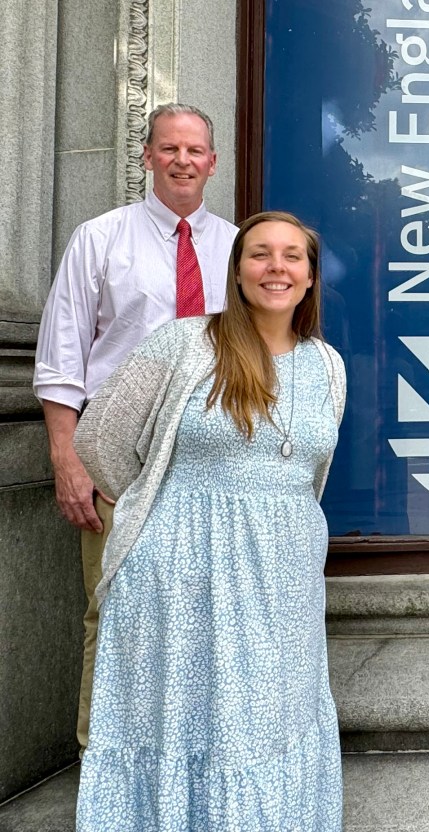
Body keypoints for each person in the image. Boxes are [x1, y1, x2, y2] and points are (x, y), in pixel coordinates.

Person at [72, 211, 346, 831]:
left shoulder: (328, 364)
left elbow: (309, 470)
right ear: (237, 270)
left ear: (310, 277)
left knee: (271, 717)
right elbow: (100, 438)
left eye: (292, 256)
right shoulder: (185, 343)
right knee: (188, 716)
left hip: (284, 580)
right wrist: (163, 515)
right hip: (181, 573)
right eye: (260, 254)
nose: (276, 267)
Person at [33, 103, 237, 751]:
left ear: (213, 163)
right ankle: (102, 765)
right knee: (117, 611)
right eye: (169, 148)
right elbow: (62, 358)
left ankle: (183, 762)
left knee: (203, 617)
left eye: (195, 151)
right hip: (116, 457)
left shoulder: (238, 248)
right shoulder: (100, 238)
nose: (182, 161)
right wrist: (67, 460)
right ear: (147, 156)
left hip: (210, 456)